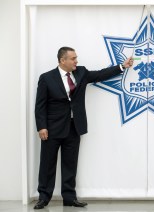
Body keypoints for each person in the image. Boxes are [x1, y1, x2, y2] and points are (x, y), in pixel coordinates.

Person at [34, 46, 133, 209]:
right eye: (73, 58)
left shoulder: (81, 72)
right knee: (47, 164)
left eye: (76, 58)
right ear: (62, 60)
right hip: (52, 129)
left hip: (74, 127)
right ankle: (44, 197)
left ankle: (69, 197)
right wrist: (41, 127)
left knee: (70, 163)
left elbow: (100, 74)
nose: (76, 61)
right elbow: (40, 105)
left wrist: (122, 66)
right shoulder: (46, 78)